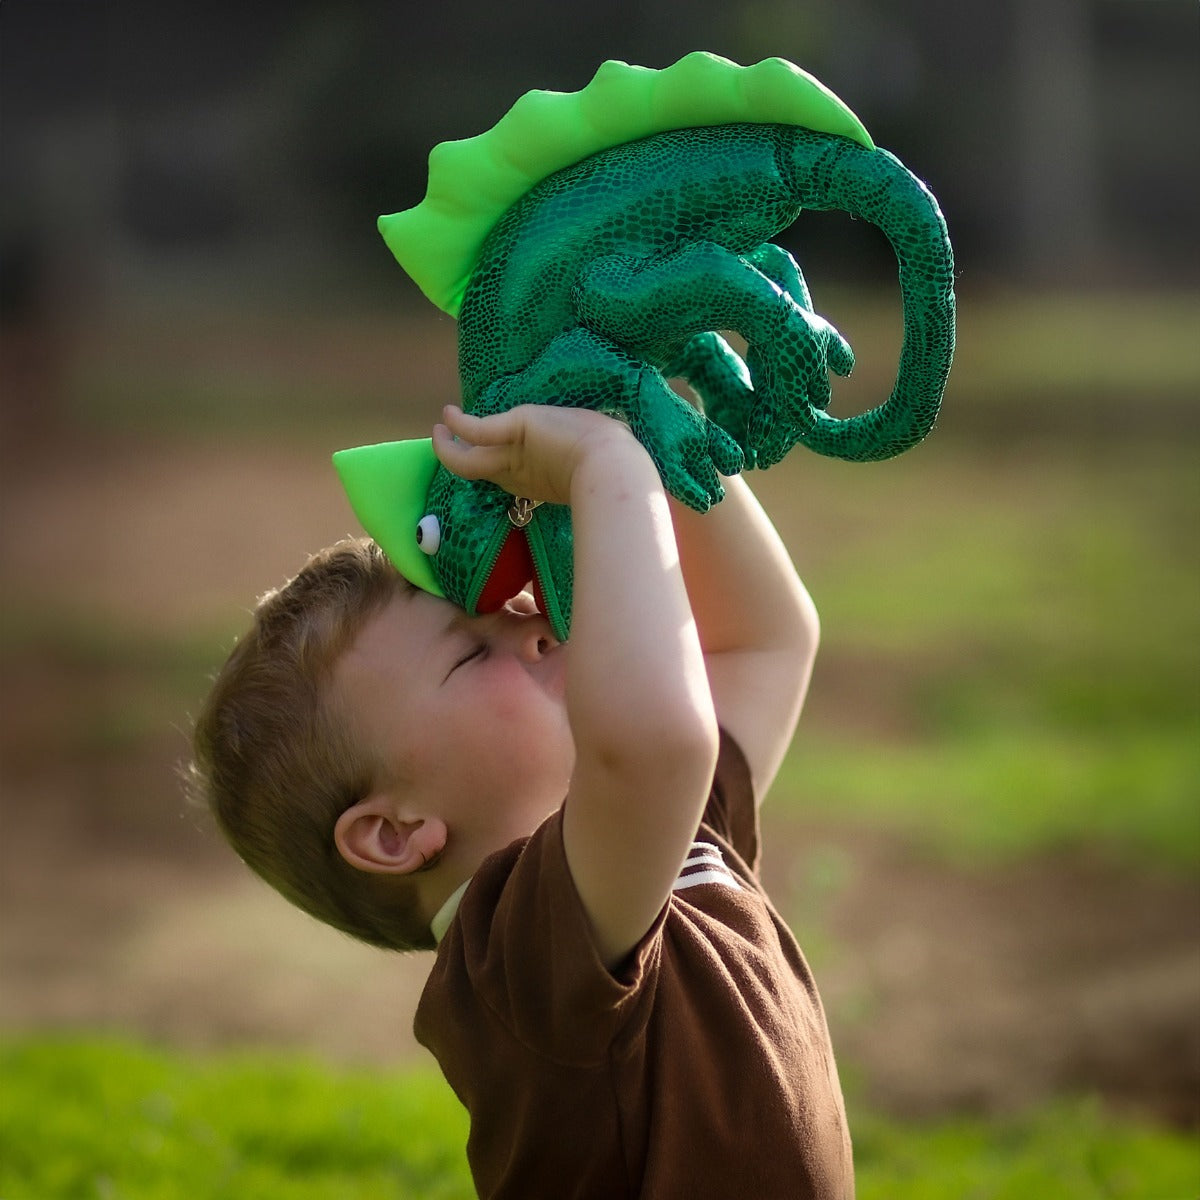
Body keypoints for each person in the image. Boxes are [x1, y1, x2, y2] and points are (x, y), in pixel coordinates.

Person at [191, 401, 853, 1198]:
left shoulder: (654, 831)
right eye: (471, 654)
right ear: (395, 834)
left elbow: (762, 640)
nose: (536, 619)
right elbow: (655, 744)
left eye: (507, 608)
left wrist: (648, 410)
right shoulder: (516, 960)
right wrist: (608, 469)